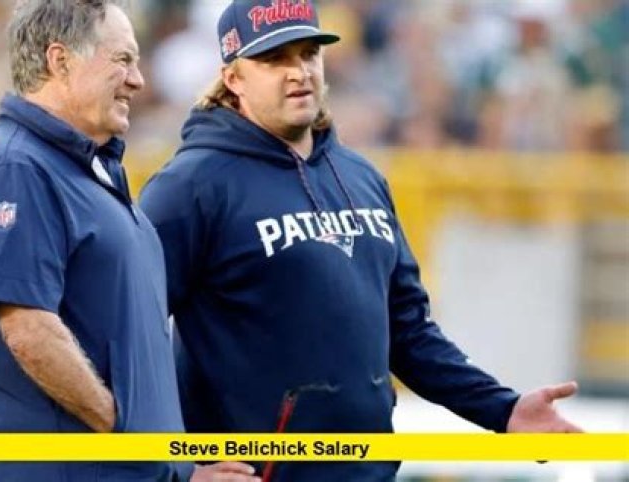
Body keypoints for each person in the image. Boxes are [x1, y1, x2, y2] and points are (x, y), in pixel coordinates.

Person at [138, 0, 582, 480]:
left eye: (309, 53)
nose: (299, 72)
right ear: (233, 78)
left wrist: (504, 410)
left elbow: (409, 334)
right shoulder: (190, 186)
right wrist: (182, 468)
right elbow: (126, 341)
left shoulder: (361, 176)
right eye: (275, 59)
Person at [0, 1, 260, 481]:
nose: (138, 80)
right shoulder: (16, 167)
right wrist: (136, 445)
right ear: (60, 60)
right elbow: (29, 330)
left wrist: (176, 468)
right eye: (123, 60)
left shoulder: (85, 171)